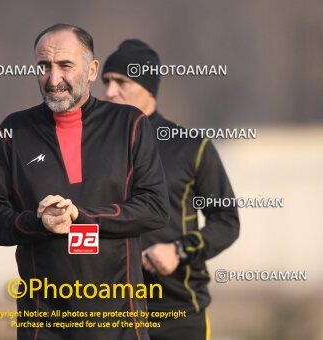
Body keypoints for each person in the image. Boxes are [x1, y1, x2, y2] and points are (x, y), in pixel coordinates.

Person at [0, 25, 170, 340]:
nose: (53, 79)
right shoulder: (13, 131)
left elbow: (154, 208)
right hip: (45, 327)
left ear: (92, 69)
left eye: (65, 65)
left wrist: (83, 217)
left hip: (120, 325)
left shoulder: (130, 124)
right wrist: (38, 222)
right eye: (44, 66)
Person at [102, 39, 240, 340]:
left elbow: (226, 221)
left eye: (121, 82)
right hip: (110, 312)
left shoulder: (191, 147)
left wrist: (178, 250)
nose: (110, 91)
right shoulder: (92, 150)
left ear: (148, 87)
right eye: (107, 82)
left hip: (178, 311)